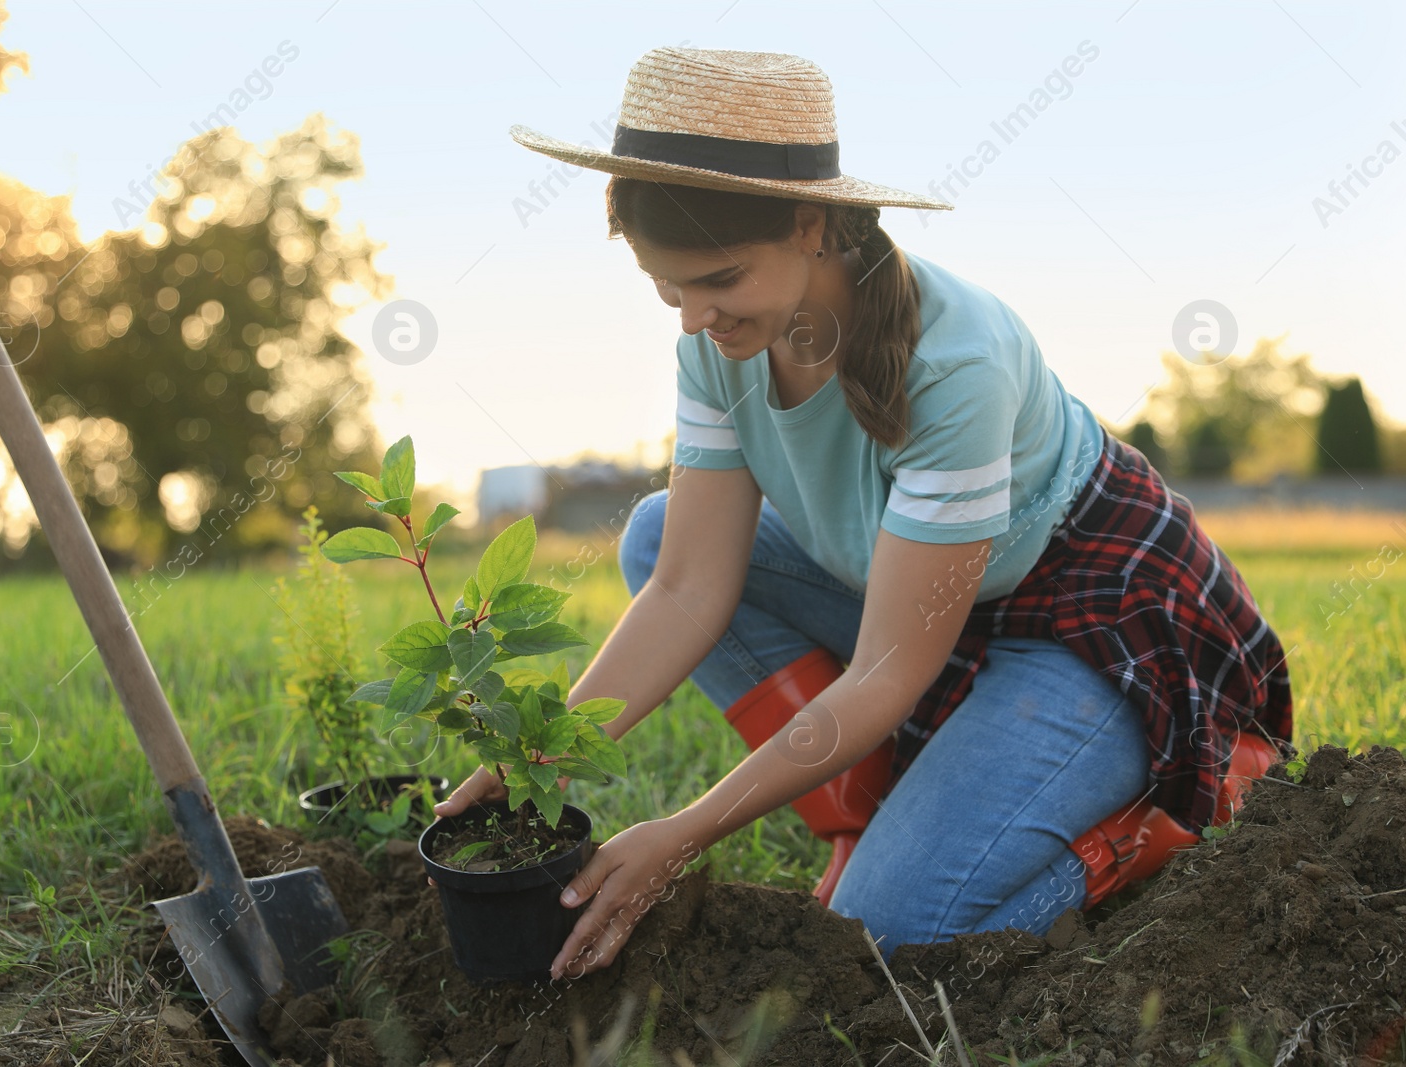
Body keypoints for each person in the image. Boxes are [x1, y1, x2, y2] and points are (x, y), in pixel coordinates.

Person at [431, 46, 1294, 982]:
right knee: (654, 534)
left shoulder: (954, 363)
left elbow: (887, 671)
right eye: (666, 288)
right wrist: (542, 755)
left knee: (877, 935)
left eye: (718, 280)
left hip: (1087, 618)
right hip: (922, 604)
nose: (692, 319)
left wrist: (681, 833)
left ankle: (1143, 829)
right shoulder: (717, 349)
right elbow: (686, 588)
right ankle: (869, 811)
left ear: (810, 225)